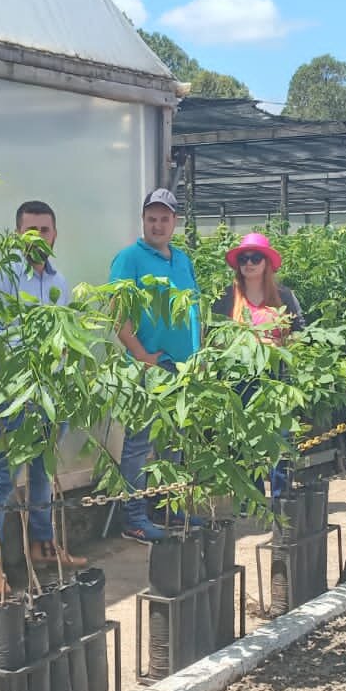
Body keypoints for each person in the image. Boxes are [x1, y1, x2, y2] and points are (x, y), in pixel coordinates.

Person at [0, 201, 86, 596]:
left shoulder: (60, 282)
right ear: (17, 235)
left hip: (53, 392)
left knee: (42, 472)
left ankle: (42, 545)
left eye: (45, 230)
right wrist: (32, 360)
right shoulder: (1, 277)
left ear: (55, 235)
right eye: (30, 230)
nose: (38, 237)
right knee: (3, 478)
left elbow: (66, 335)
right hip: (17, 392)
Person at [108, 188, 201, 542]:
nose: (157, 225)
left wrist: (198, 355)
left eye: (164, 219)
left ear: (175, 222)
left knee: (174, 442)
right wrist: (141, 355)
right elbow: (117, 314)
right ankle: (134, 518)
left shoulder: (182, 260)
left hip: (182, 368)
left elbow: (194, 310)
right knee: (139, 443)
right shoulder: (129, 259)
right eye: (151, 219)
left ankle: (169, 508)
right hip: (148, 367)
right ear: (143, 220)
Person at [211, 231, 306, 498]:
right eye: (244, 259)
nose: (249, 263)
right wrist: (246, 344)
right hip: (239, 382)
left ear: (267, 263)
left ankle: (281, 498)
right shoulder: (227, 298)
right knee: (245, 442)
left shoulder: (285, 297)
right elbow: (215, 338)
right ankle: (252, 501)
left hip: (277, 380)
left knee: (280, 439)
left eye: (255, 258)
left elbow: (300, 334)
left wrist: (278, 346)